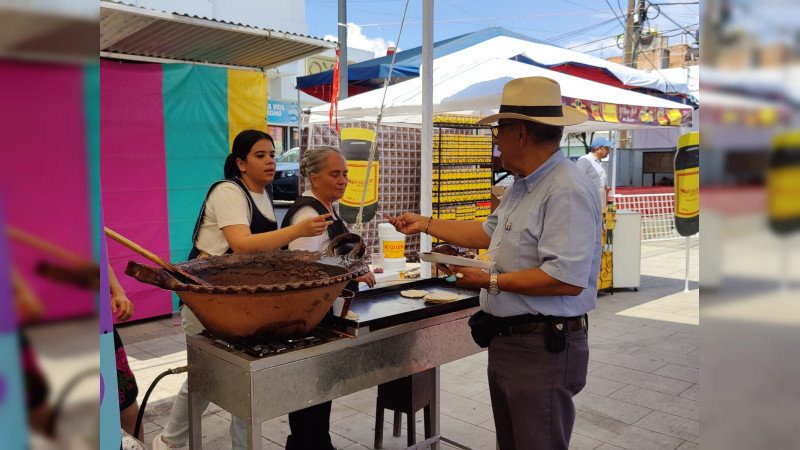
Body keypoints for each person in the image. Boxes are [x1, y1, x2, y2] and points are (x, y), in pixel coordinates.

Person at [389, 77, 602, 450]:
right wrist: (424, 223)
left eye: (498, 131)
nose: (496, 141)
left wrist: (490, 282)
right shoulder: (523, 185)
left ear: (519, 133)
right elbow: (487, 232)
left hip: (542, 347)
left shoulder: (565, 188)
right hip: (513, 340)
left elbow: (565, 280)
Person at [153, 130, 332, 450]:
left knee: (244, 380)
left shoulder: (265, 193)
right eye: (260, 155)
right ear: (240, 163)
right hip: (204, 297)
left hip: (239, 302)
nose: (271, 162)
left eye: (274, 155)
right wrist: (298, 230)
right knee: (206, 378)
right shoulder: (227, 191)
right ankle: (170, 441)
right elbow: (241, 244)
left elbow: (263, 253)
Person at [280, 146, 375, 450]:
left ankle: (314, 443)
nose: (343, 180)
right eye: (335, 174)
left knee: (319, 392)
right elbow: (305, 269)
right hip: (308, 317)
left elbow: (328, 257)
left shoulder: (326, 209)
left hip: (322, 313)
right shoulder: (309, 213)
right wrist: (351, 273)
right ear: (313, 177)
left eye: (345, 173)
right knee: (311, 392)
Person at [575, 136, 613, 208]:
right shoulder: (585, 160)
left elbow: (603, 184)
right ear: (597, 149)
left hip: (600, 201)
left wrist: (606, 200)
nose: (609, 151)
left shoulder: (601, 163)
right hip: (588, 201)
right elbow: (576, 181)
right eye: (606, 148)